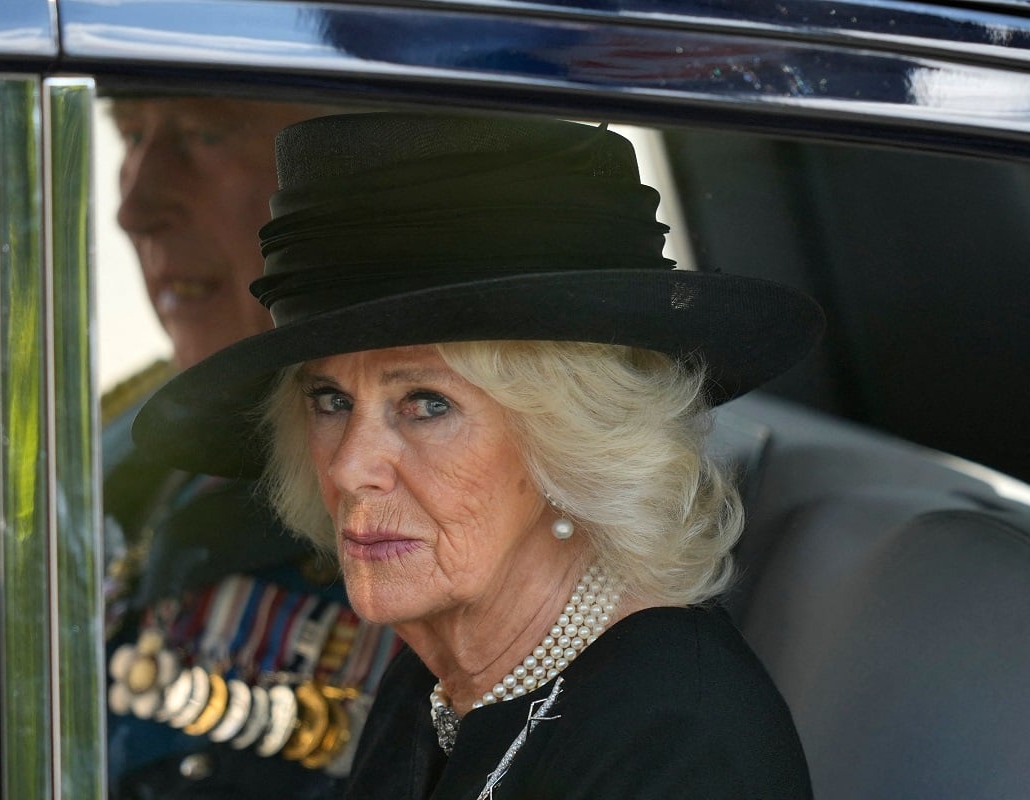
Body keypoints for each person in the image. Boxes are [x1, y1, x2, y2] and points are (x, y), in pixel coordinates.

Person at [133, 111, 824, 797]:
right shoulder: (437, 677)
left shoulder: (679, 739)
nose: (348, 468)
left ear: (574, 438)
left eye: (427, 404)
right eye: (330, 401)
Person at [0, 95, 395, 800]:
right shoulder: (130, 440)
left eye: (204, 133)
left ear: (367, 172)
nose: (135, 206)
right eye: (130, 135)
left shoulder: (425, 502)